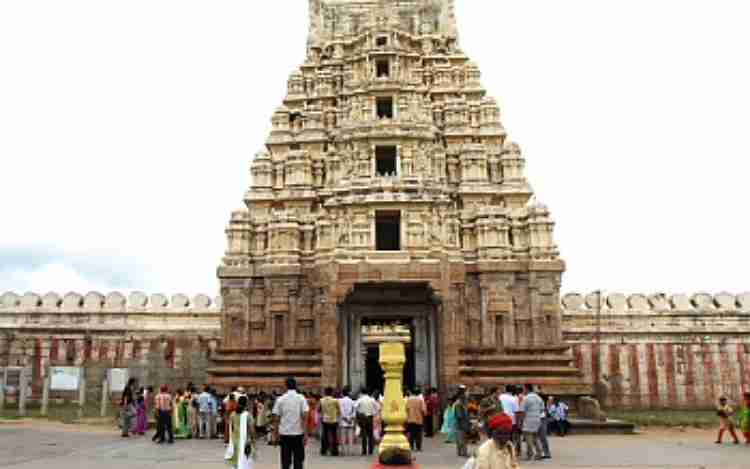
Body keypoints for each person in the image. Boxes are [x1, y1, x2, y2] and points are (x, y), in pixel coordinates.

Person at [272, 377, 309, 469]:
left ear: (285, 386)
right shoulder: (301, 398)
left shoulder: (280, 399)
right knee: (298, 461)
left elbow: (276, 418)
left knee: (285, 462)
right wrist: (305, 434)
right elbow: (305, 416)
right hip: (298, 433)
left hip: (284, 434)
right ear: (295, 386)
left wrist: (275, 434)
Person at [228, 395, 256, 469]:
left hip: (235, 441)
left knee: (236, 461)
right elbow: (252, 429)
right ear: (246, 404)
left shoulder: (232, 414)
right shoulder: (248, 415)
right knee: (245, 462)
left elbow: (231, 428)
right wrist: (253, 440)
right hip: (245, 442)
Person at [520, 384, 545, 460]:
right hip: (537, 419)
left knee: (528, 438)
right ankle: (539, 453)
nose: (523, 391)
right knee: (535, 437)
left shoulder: (526, 398)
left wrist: (521, 421)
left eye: (524, 389)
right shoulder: (538, 398)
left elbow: (523, 411)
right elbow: (542, 409)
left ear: (527, 389)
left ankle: (530, 454)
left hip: (528, 419)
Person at [355, 388, 376, 456]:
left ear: (361, 392)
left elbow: (355, 406)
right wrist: (373, 413)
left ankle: (364, 451)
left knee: (364, 434)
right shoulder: (372, 399)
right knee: (370, 434)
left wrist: (359, 412)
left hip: (363, 417)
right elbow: (378, 407)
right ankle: (370, 450)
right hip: (370, 417)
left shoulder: (360, 399)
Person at [319, 387, 340, 456]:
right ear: (332, 392)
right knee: (334, 435)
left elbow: (319, 410)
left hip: (325, 419)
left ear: (325, 392)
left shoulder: (321, 400)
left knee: (324, 435)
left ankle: (323, 450)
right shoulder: (335, 400)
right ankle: (334, 451)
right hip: (334, 420)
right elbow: (339, 411)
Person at [338, 386, 356, 456]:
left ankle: (343, 451)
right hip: (350, 421)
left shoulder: (340, 401)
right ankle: (350, 451)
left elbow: (341, 412)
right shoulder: (352, 401)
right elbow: (354, 412)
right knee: (350, 437)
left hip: (343, 421)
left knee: (343, 437)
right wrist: (351, 419)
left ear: (342, 393)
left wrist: (345, 419)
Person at [454, 387, 471, 458]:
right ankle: (462, 452)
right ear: (463, 394)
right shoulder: (459, 403)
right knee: (461, 438)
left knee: (462, 438)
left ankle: (462, 452)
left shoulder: (464, 402)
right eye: (467, 392)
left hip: (463, 423)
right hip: (461, 424)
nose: (468, 393)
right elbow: (459, 416)